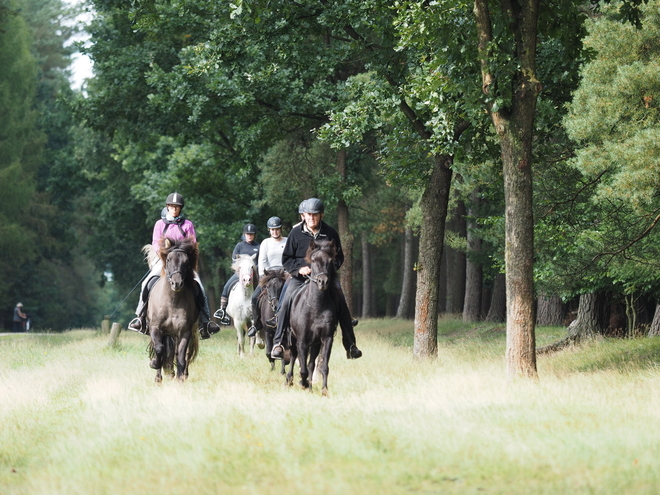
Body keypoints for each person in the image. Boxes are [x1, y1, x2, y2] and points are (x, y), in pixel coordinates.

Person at [270, 198, 362, 360]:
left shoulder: (330, 233)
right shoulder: (295, 233)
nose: (312, 218)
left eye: (315, 215)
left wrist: (328, 270)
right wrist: (299, 269)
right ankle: (279, 343)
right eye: (309, 215)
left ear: (321, 215)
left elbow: (339, 257)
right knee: (285, 302)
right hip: (300, 277)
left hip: (324, 277)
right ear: (303, 216)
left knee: (340, 299)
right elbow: (287, 259)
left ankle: (350, 345)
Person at [127, 192, 220, 339]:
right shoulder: (160, 224)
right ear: (167, 207)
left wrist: (184, 258)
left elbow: (192, 244)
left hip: (182, 264)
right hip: (164, 261)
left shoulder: (187, 224)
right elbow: (156, 243)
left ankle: (205, 321)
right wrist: (163, 256)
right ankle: (140, 317)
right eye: (171, 206)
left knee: (199, 285)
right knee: (147, 282)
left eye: (177, 207)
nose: (174, 209)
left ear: (180, 208)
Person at [247, 217, 287, 337]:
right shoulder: (265, 243)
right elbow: (262, 260)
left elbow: (290, 258)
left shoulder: (287, 241)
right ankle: (257, 323)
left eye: (277, 229)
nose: (275, 232)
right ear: (269, 230)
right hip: (269, 274)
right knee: (254, 297)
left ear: (280, 229)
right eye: (272, 229)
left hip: (284, 274)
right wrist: (261, 277)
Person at [215, 223, 260, 325]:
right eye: (247, 234)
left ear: (254, 235)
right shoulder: (239, 246)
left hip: (254, 274)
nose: (249, 236)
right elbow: (234, 261)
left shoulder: (258, 246)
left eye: (251, 234)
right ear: (244, 234)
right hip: (240, 274)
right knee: (226, 286)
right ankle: (222, 310)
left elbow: (260, 262)